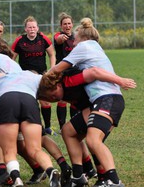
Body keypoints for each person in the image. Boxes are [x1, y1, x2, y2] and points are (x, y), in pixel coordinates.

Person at [48, 18, 132, 187]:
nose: (73, 42)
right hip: (101, 100)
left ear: (82, 38)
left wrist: (42, 80)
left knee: (93, 140)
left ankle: (114, 182)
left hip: (108, 99)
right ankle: (79, 177)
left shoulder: (83, 46)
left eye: (75, 39)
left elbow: (58, 68)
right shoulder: (94, 47)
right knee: (68, 131)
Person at [0, 70, 61, 187]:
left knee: (9, 150)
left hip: (7, 100)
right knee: (35, 149)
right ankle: (50, 170)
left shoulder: (4, 77)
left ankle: (17, 179)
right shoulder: (36, 77)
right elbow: (49, 90)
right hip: (29, 101)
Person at [11, 15, 56, 136]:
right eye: (29, 27)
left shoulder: (43, 39)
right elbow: (11, 59)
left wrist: (51, 69)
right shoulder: (19, 40)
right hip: (25, 77)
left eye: (34, 27)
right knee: (29, 102)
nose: (32, 29)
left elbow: (52, 54)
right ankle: (31, 127)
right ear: (25, 29)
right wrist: (14, 73)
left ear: (37, 28)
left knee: (45, 102)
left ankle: (47, 127)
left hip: (41, 75)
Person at [53, 12, 77, 131]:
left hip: (74, 71)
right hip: (62, 72)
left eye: (69, 23)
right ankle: (62, 127)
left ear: (72, 24)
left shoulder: (77, 37)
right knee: (62, 98)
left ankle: (74, 125)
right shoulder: (59, 35)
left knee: (74, 98)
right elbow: (58, 40)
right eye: (65, 24)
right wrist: (61, 38)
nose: (67, 26)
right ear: (61, 26)